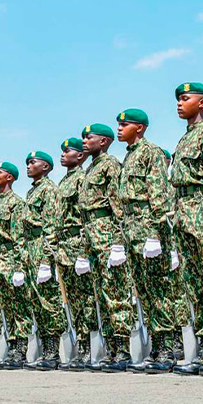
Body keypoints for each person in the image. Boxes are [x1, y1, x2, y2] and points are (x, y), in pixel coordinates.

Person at [115, 109, 183, 374]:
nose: (120, 128)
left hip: (147, 227)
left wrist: (156, 234)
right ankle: (156, 347)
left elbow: (158, 193)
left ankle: (167, 349)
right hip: (132, 229)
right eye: (118, 125)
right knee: (143, 290)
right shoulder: (129, 156)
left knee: (159, 290)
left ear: (140, 128)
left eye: (125, 124)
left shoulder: (150, 152)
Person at [79, 123, 133, 373]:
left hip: (107, 232)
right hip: (92, 234)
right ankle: (111, 347)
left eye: (89, 137)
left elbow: (118, 203)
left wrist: (119, 243)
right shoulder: (91, 168)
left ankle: (122, 348)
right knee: (101, 293)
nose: (84, 141)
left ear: (103, 141)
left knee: (116, 291)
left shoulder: (110, 165)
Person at [170, 82, 203, 376]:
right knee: (195, 286)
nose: (180, 104)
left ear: (202, 102)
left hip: (201, 214)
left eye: (185, 99)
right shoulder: (183, 140)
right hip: (184, 216)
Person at [53, 138, 92, 372]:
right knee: (74, 300)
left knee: (86, 297)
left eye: (67, 151)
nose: (63, 154)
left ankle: (90, 346)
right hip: (64, 246)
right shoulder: (64, 182)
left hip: (77, 242)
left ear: (80, 156)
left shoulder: (82, 179)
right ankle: (81, 344)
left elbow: (84, 217)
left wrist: (83, 251)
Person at [22, 151, 63, 371]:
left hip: (41, 248)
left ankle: (52, 351)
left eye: (33, 162)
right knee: (36, 301)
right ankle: (45, 347)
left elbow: (51, 225)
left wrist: (47, 260)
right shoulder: (32, 191)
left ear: (45, 167)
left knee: (48, 300)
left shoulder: (49, 190)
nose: (29, 166)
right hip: (31, 248)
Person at [0, 162, 29, 370]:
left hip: (12, 258)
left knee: (18, 304)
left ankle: (21, 347)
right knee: (5, 305)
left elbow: (20, 236)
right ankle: (12, 344)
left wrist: (20, 267)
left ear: (10, 177)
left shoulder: (16, 203)